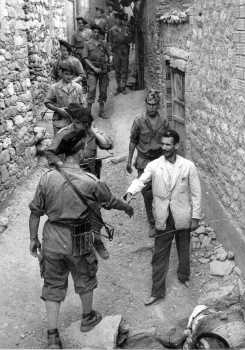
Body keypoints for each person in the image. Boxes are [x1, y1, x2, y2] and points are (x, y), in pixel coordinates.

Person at [29, 127, 134, 349]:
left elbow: (35, 212)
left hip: (52, 236)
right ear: (79, 152)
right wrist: (126, 207)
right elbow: (110, 200)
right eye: (85, 147)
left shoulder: (46, 178)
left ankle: (53, 336)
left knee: (53, 283)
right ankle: (87, 318)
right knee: (85, 276)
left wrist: (33, 239)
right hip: (79, 234)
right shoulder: (90, 181)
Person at [125, 129, 202, 306]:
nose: (164, 147)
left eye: (168, 144)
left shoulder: (188, 166)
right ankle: (157, 291)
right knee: (160, 254)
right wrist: (130, 191)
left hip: (182, 215)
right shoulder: (154, 165)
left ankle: (184, 276)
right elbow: (142, 180)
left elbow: (197, 193)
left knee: (184, 247)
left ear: (176, 145)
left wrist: (195, 217)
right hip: (163, 216)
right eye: (163, 144)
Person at [45, 103, 113, 260]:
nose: (76, 126)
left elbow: (108, 144)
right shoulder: (64, 134)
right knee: (74, 212)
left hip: (90, 177)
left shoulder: (91, 133)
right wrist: (62, 165)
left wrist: (93, 132)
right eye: (75, 122)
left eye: (80, 123)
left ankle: (97, 241)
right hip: (71, 180)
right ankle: (74, 247)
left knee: (94, 210)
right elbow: (50, 153)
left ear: (87, 124)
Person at [126, 89, 169, 237]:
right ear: (146, 104)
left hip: (159, 160)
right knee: (147, 194)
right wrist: (129, 160)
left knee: (162, 191)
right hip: (144, 161)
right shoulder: (139, 121)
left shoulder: (164, 121)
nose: (151, 107)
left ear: (158, 105)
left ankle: (162, 219)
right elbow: (132, 141)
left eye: (154, 104)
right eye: (149, 104)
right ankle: (152, 222)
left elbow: (167, 142)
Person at [44, 61, 86, 135]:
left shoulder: (78, 88)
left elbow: (83, 104)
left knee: (75, 143)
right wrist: (58, 109)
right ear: (62, 73)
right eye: (66, 74)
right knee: (60, 142)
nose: (69, 77)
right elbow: (47, 102)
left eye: (71, 74)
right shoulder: (54, 87)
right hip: (60, 120)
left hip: (75, 121)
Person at [82, 24, 111, 118]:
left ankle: (101, 111)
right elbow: (85, 58)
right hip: (92, 71)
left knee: (103, 90)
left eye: (97, 32)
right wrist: (94, 68)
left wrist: (110, 60)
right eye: (94, 32)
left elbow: (109, 54)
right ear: (91, 32)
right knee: (92, 89)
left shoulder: (103, 43)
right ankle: (88, 112)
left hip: (103, 70)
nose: (96, 34)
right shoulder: (87, 44)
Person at [108, 11, 132, 94]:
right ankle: (118, 87)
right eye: (117, 19)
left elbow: (130, 40)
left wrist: (126, 36)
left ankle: (123, 87)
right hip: (116, 52)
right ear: (115, 20)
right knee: (117, 70)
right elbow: (110, 42)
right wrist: (111, 54)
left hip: (124, 51)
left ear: (122, 20)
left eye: (120, 19)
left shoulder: (126, 29)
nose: (118, 20)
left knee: (124, 70)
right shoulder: (112, 30)